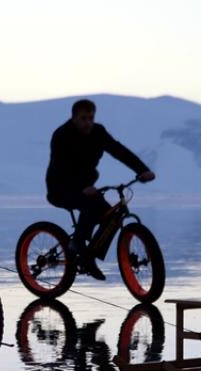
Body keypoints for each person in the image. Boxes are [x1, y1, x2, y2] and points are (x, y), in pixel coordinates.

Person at [45, 99, 155, 280]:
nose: (88, 123)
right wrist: (81, 188)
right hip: (61, 188)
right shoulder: (62, 135)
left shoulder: (98, 132)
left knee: (111, 216)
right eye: (83, 118)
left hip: (87, 188)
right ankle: (78, 244)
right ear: (74, 118)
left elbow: (119, 151)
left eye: (91, 118)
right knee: (90, 206)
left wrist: (142, 170)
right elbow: (62, 167)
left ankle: (89, 255)